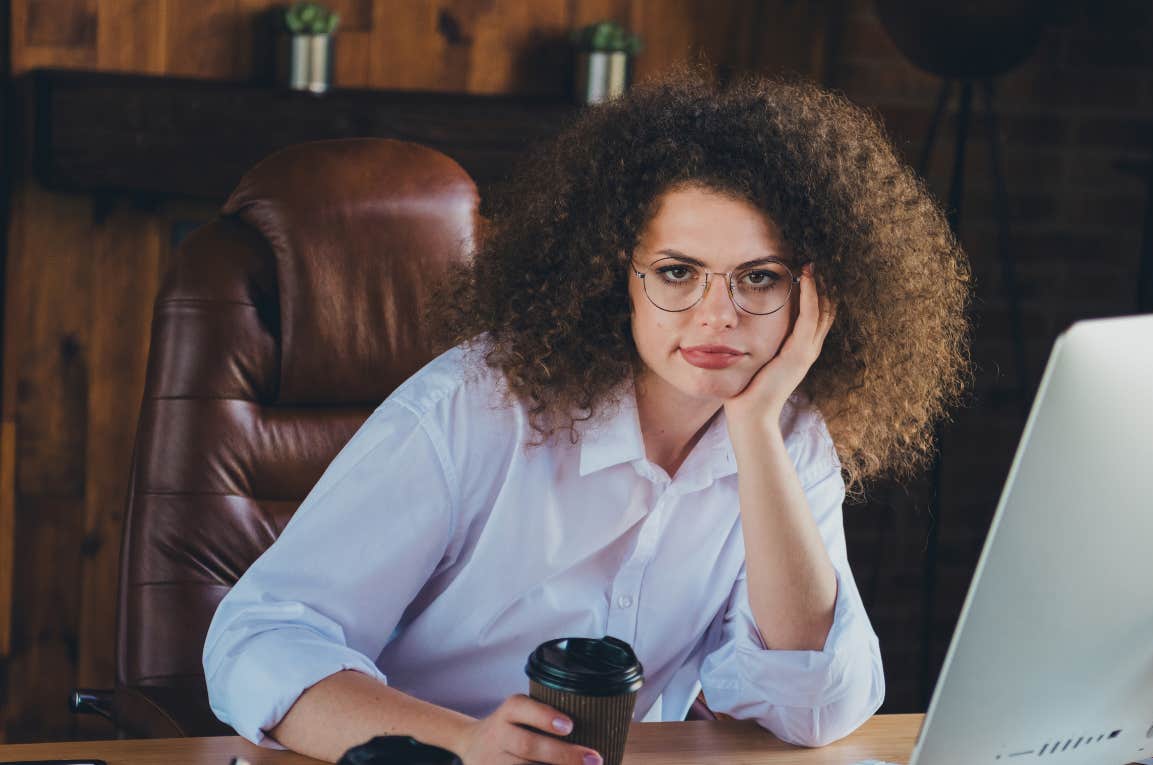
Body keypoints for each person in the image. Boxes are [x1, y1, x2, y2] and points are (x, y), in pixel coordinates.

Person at [203, 63, 972, 765]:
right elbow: (258, 638)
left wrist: (756, 428)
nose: (718, 316)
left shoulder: (786, 436)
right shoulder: (480, 405)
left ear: (816, 295)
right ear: (618, 277)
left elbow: (816, 704)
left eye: (758, 278)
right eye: (678, 273)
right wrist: (467, 743)